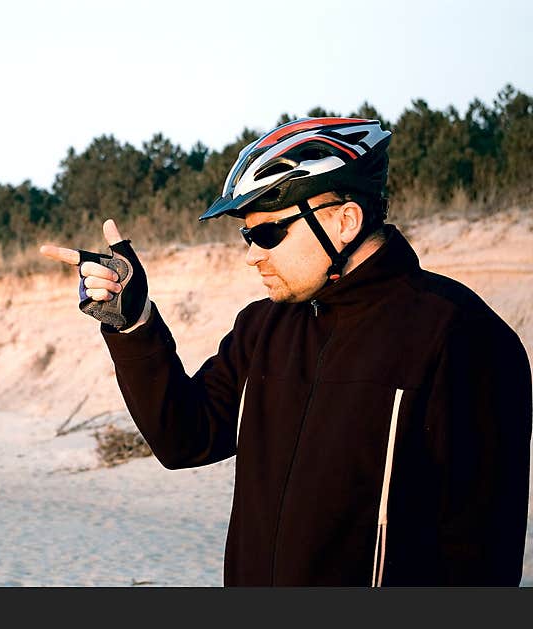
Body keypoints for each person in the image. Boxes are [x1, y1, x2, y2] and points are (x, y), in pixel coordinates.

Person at [40, 117, 532, 586]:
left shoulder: (460, 337)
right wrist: (133, 322)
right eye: (246, 235)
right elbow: (184, 438)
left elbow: (483, 554)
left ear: (345, 220)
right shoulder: (263, 328)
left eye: (269, 232)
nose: (253, 253)